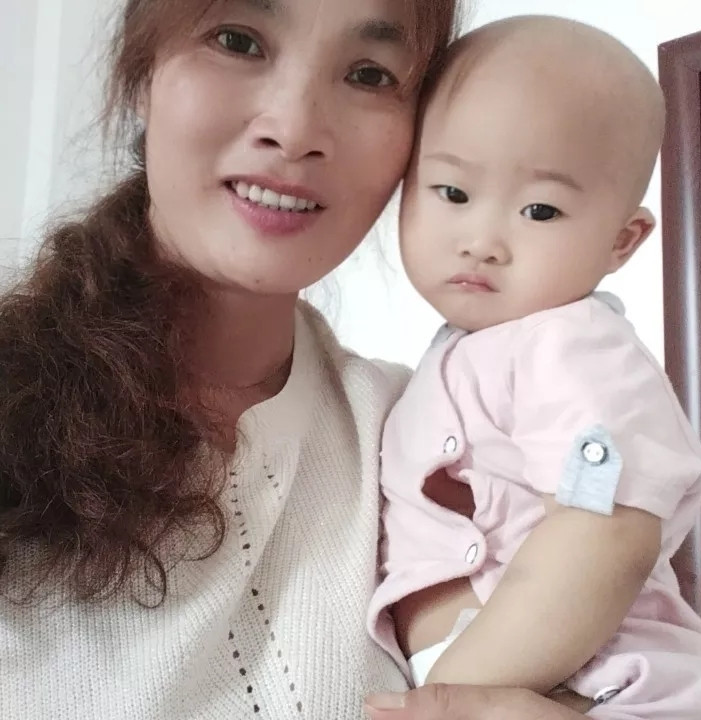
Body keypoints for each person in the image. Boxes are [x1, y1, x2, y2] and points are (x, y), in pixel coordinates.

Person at [0, 1, 596, 718]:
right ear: (142, 74)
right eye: (237, 40)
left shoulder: (442, 443)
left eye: (370, 74)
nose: (295, 129)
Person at [368, 14, 701, 719]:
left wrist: (448, 695)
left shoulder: (574, 347)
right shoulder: (466, 351)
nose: (483, 240)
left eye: (539, 210)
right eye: (453, 193)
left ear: (622, 241)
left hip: (607, 684)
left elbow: (604, 534)